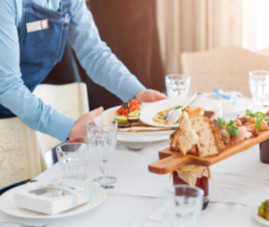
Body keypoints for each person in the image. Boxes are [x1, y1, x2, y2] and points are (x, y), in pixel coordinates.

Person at [0, 0, 167, 142]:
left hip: (19, 110)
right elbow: (7, 86)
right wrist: (68, 128)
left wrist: (137, 94)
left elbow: (95, 55)